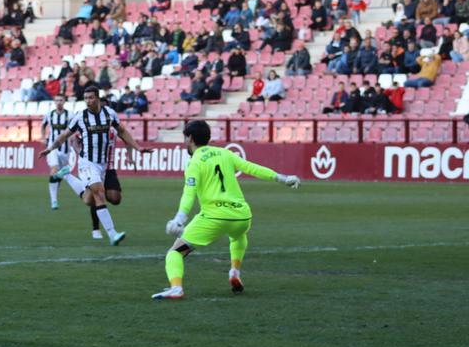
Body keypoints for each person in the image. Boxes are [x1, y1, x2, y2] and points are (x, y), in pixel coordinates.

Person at [152, 120, 301, 300]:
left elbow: (188, 193)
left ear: (190, 138)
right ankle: (234, 272)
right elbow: (252, 168)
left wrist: (179, 219)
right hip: (241, 215)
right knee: (238, 236)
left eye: (185, 138)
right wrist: (283, 178)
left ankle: (176, 288)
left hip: (213, 217)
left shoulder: (194, 162)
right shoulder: (226, 153)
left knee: (175, 252)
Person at [39, 87, 151, 246]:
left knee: (89, 199)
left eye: (91, 97)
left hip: (104, 165)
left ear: (98, 98)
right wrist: (50, 148)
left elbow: (123, 132)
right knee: (99, 193)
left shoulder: (110, 114)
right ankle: (112, 234)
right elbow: (65, 135)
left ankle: (67, 175)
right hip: (87, 162)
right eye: (86, 98)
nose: (88, 101)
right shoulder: (80, 117)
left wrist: (138, 148)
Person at [40, 95, 78, 210]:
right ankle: (54, 201)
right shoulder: (49, 114)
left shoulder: (70, 115)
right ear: (54, 102)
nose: (58, 102)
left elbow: (75, 129)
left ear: (64, 101)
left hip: (65, 148)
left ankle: (55, 197)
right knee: (55, 169)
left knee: (60, 174)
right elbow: (43, 125)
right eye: (56, 100)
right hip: (52, 147)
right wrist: (43, 137)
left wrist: (73, 138)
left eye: (61, 100)